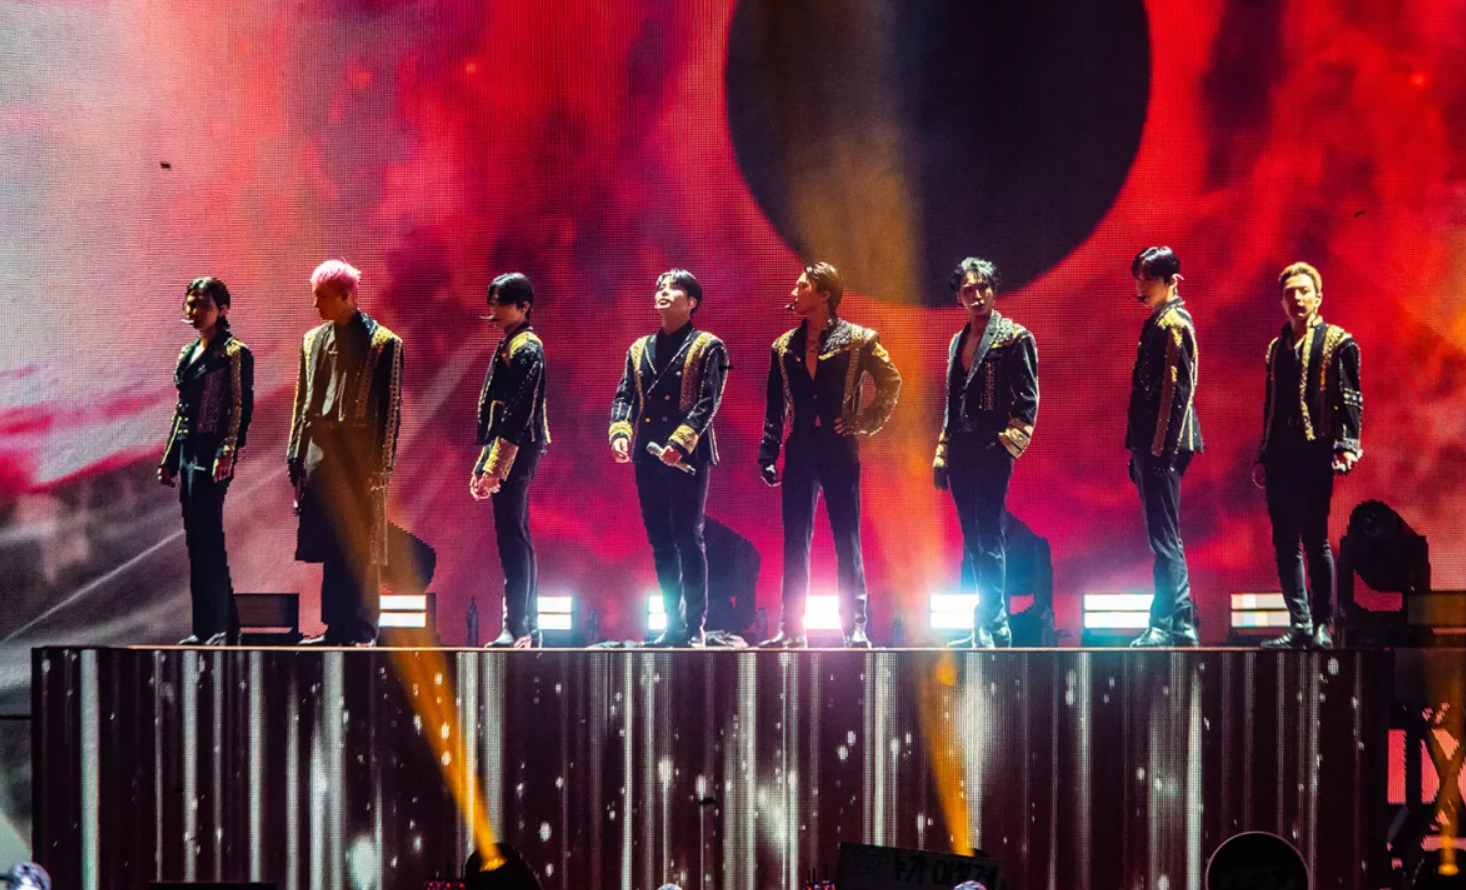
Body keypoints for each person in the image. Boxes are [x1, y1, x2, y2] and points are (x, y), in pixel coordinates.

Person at [757, 262, 901, 649]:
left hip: (839, 447)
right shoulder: (783, 346)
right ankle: (791, 628)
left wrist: (863, 421)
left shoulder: (859, 339)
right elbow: (775, 404)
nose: (793, 292)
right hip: (801, 446)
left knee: (846, 536)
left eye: (802, 286)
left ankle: (854, 626)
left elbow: (891, 380)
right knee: (795, 538)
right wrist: (769, 450)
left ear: (824, 294)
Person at [609, 270, 729, 648]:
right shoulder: (638, 349)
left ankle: (694, 626)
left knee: (688, 537)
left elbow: (708, 401)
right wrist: (620, 431)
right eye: (659, 287)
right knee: (660, 541)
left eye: (672, 288)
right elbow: (625, 395)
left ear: (692, 302)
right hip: (648, 455)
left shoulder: (709, 346)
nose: (662, 292)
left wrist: (680, 441)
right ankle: (672, 625)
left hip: (688, 455)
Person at [287, 260, 404, 646]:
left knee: (360, 543)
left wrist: (381, 468)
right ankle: (335, 626)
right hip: (322, 454)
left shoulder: (383, 343)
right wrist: (295, 454)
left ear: (345, 295)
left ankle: (361, 629)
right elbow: (303, 402)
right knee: (330, 540)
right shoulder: (312, 341)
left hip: (360, 457)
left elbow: (389, 412)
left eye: (322, 296)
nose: (315, 304)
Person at [1253, 262, 1361, 649]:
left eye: (1304, 291)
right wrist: (1263, 454)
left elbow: (1350, 397)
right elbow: (1271, 404)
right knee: (1284, 541)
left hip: (1315, 451)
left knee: (1315, 539)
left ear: (1318, 297)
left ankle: (1322, 625)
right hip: (1281, 455)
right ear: (1282, 301)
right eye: (1290, 293)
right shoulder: (1276, 348)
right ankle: (1299, 622)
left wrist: (1347, 445)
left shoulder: (1338, 341)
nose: (1297, 298)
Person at [932, 258, 1038, 648]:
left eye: (983, 288)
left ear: (994, 290)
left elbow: (1028, 400)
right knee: (972, 539)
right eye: (968, 290)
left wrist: (1007, 446)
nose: (976, 296)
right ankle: (987, 622)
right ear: (958, 297)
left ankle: (995, 625)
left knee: (990, 535)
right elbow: (953, 402)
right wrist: (942, 452)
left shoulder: (1015, 337)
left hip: (992, 448)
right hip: (961, 448)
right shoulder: (956, 342)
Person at [158, 277, 254, 645]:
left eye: (202, 304)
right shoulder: (187, 354)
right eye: (190, 302)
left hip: (212, 453)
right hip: (188, 452)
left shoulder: (234, 353)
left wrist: (227, 451)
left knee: (209, 539)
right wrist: (170, 457)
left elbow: (240, 406)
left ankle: (220, 628)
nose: (193, 310)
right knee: (196, 541)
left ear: (222, 309)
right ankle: (210, 628)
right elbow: (180, 411)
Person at [1125, 246, 1203, 648]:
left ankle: (1163, 624)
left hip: (1164, 445)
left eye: (1149, 278)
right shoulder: (1158, 322)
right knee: (1165, 535)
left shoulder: (1174, 324)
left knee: (1164, 539)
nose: (1141, 286)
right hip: (1152, 445)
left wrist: (1160, 450)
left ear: (1172, 281)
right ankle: (1182, 621)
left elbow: (1177, 393)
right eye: (1139, 277)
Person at [471, 273, 550, 648]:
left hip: (517, 450)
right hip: (510, 449)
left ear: (523, 306)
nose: (494, 309)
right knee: (515, 537)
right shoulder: (512, 343)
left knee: (513, 539)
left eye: (502, 302)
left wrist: (495, 466)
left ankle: (519, 625)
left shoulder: (526, 348)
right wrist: (483, 464)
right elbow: (498, 413)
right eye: (493, 301)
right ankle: (524, 626)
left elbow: (517, 414)